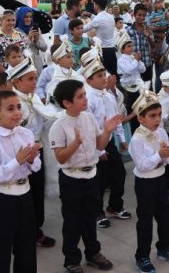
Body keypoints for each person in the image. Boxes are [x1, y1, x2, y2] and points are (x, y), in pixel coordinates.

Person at [50, 79, 121, 272]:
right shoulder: (59, 126)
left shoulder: (88, 118)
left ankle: (93, 253)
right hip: (71, 179)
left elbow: (99, 145)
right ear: (66, 103)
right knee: (72, 221)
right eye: (80, 96)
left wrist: (107, 131)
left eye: (84, 95)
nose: (85, 99)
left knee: (90, 218)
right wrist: (75, 144)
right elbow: (61, 158)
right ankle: (71, 259)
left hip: (91, 176)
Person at [0, 90, 41, 273]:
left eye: (19, 107)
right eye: (10, 109)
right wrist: (16, 162)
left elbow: (36, 166)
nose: (17, 112)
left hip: (25, 195)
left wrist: (30, 160)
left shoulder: (26, 134)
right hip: (3, 199)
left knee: (27, 247)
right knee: (0, 250)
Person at [128, 91, 169, 273]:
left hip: (160, 179)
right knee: (145, 220)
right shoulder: (136, 140)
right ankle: (142, 256)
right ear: (140, 118)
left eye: (159, 114)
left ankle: (164, 247)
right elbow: (143, 166)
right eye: (152, 116)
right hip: (145, 183)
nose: (157, 119)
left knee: (164, 216)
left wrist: (166, 156)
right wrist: (159, 156)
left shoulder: (161, 132)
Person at [7, 58, 58, 249]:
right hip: (20, 154)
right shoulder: (12, 101)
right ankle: (24, 232)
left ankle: (36, 229)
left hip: (37, 149)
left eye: (35, 78)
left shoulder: (33, 96)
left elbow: (43, 122)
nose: (35, 82)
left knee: (37, 191)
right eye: (30, 79)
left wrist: (55, 115)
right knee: (22, 194)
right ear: (17, 82)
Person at [81, 59, 131, 229]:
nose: (104, 78)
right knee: (99, 181)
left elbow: (115, 119)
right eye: (99, 76)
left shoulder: (108, 96)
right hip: (94, 144)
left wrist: (122, 140)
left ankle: (114, 206)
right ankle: (96, 212)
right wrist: (98, 151)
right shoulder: (88, 99)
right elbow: (88, 127)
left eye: (104, 74)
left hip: (109, 141)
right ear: (89, 80)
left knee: (119, 173)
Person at [90, 0, 118, 75]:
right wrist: (90, 15)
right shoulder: (110, 17)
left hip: (102, 51)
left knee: (103, 76)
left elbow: (84, 29)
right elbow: (100, 20)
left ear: (96, 5)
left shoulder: (97, 19)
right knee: (113, 75)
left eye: (94, 4)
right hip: (112, 50)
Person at [16, 7, 48, 73]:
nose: (29, 19)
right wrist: (29, 38)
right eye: (26, 17)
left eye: (30, 17)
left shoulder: (35, 29)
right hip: (23, 63)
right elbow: (17, 50)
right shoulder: (15, 31)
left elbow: (44, 48)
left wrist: (37, 40)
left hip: (37, 63)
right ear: (20, 17)